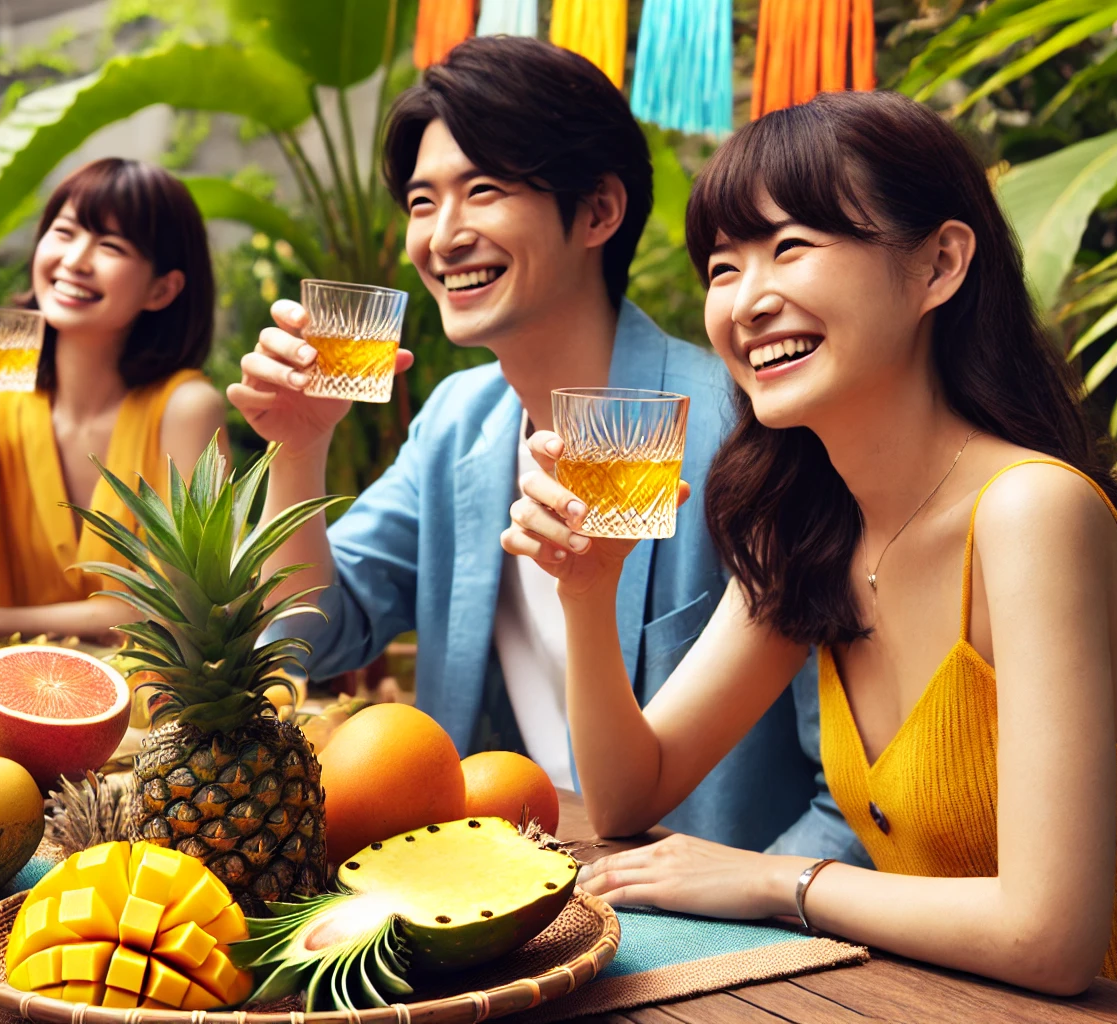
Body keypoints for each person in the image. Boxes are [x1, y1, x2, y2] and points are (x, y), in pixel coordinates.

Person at [507, 90, 1117, 993]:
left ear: (939, 266)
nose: (748, 301)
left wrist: (777, 881)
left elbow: (1051, 936)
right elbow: (627, 794)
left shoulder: (1032, 513)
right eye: (724, 267)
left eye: (791, 247)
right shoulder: (809, 525)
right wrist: (587, 590)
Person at [232, 35, 860, 859]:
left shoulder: (749, 423)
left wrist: (734, 941)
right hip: (504, 893)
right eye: (422, 203)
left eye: (483, 190)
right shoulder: (459, 421)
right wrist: (298, 447)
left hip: (715, 926)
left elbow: (847, 800)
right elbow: (314, 638)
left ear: (599, 211)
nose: (444, 235)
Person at [0, 158, 226, 639]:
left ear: (162, 289)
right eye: (65, 232)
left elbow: (179, 605)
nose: (76, 259)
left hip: (149, 705)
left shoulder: (186, 408)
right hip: (15, 697)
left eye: (111, 246)